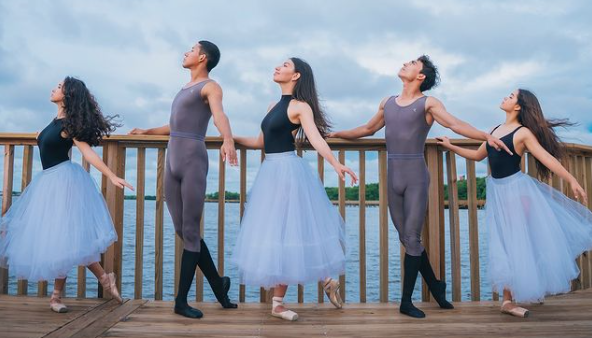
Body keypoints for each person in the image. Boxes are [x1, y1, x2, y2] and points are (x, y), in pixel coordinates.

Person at [330, 55, 511, 318]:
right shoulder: (387, 102)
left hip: (415, 176)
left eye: (412, 62)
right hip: (393, 178)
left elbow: (454, 123)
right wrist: (336, 134)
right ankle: (436, 287)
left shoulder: (428, 103)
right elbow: (368, 128)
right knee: (407, 239)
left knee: (412, 238)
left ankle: (406, 301)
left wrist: (486, 135)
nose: (405, 62)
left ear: (421, 76)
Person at [437, 89, 592, 317]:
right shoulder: (494, 130)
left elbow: (546, 158)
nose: (505, 97)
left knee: (514, 242)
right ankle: (508, 300)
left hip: (516, 191)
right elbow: (478, 156)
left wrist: (571, 179)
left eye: (510, 96)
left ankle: (510, 299)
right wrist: (451, 146)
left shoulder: (523, 133)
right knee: (503, 241)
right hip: (497, 191)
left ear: (518, 106)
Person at [232, 57, 358, 321]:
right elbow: (259, 142)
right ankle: (312, 285)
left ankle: (289, 297)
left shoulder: (300, 107)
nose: (277, 67)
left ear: (296, 75)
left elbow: (315, 138)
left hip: (288, 173)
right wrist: (228, 138)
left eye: (285, 65)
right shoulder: (271, 106)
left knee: (287, 232)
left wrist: (337, 164)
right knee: (280, 233)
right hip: (271, 172)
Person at [0, 77, 133, 313]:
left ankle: (57, 297)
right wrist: (40, 135)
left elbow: (87, 153)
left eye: (59, 86)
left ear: (68, 94)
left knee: (63, 236)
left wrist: (111, 176)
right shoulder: (53, 123)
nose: (53, 88)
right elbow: (47, 143)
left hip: (64, 182)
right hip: (47, 182)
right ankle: (104, 279)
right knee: (58, 238)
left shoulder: (69, 125)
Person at [129, 41, 238, 319]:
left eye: (191, 49)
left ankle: (180, 301)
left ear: (202, 57)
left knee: (190, 230)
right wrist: (146, 131)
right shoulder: (183, 90)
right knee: (182, 230)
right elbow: (175, 124)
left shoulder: (211, 86)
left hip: (192, 160)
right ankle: (218, 284)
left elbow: (219, 115)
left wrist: (228, 139)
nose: (185, 52)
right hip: (172, 160)